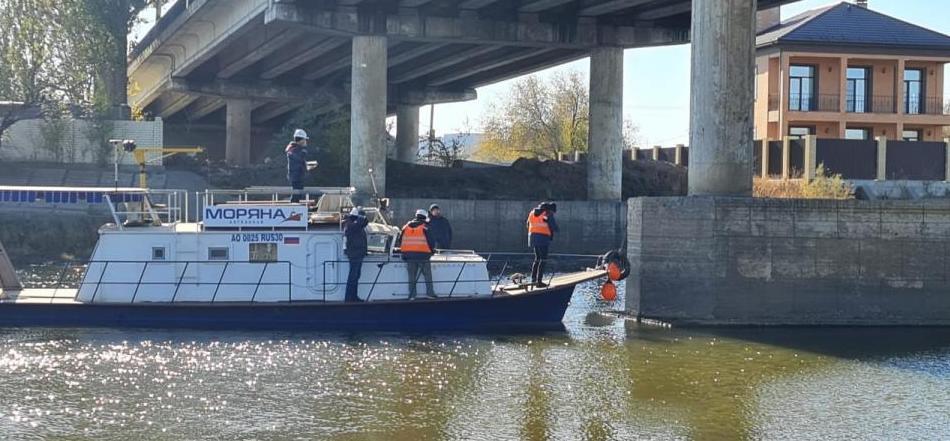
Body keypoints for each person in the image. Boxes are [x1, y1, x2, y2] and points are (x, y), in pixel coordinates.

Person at [398, 209, 437, 300]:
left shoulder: (405, 227)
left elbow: (400, 241)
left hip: (409, 256)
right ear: (424, 217)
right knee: (427, 275)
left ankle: (412, 295)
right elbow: (431, 242)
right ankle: (430, 293)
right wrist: (431, 251)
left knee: (411, 277)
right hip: (423, 255)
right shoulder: (425, 227)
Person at [527, 201, 559, 288]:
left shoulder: (532, 212)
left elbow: (528, 224)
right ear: (550, 209)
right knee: (543, 260)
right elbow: (553, 227)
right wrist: (556, 229)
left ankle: (533, 280)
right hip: (543, 238)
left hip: (532, 237)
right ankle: (539, 282)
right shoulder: (547, 214)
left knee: (537, 259)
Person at [343, 206, 369, 302]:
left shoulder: (352, 224)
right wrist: (361, 217)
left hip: (357, 253)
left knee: (356, 276)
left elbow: (364, 223)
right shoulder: (351, 225)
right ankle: (349, 298)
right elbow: (364, 222)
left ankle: (353, 296)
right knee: (353, 276)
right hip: (355, 254)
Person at [286, 129, 310, 203]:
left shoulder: (297, 149)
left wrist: (307, 166)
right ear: (301, 140)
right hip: (295, 177)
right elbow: (298, 159)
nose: (306, 141)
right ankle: (292, 209)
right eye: (305, 139)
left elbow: (300, 162)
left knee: (298, 195)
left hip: (298, 176)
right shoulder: (293, 150)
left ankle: (294, 208)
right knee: (296, 195)